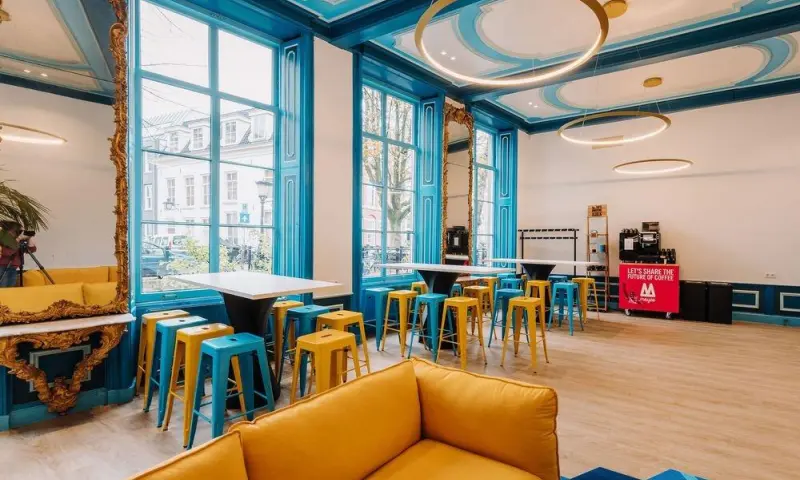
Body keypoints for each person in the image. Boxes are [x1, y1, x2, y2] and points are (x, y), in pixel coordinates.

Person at [0, 221, 36, 288]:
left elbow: (32, 249)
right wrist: (18, 239)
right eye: (18, 231)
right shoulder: (3, 239)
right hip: (2, 268)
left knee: (11, 290)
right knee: (3, 290)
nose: (20, 233)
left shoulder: (17, 240)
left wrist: (29, 238)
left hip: (13, 268)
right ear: (10, 231)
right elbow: (7, 252)